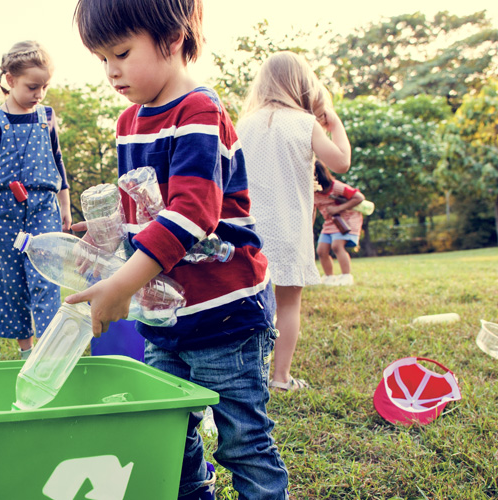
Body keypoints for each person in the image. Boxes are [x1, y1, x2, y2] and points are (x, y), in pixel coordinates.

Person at [70, 1, 288, 498]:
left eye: (121, 52)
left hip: (224, 315)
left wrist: (123, 284)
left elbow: (191, 215)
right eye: (101, 58)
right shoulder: (129, 123)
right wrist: (105, 237)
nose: (111, 71)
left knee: (242, 442)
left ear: (172, 38)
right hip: (164, 319)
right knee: (169, 436)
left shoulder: (199, 112)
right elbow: (144, 214)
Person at [236, 51, 351, 393]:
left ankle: (245, 374)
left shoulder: (244, 124)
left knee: (247, 304)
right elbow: (341, 162)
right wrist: (335, 123)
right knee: (288, 304)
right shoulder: (305, 123)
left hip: (247, 229)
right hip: (289, 228)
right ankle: (281, 378)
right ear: (301, 84)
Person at [0, 40, 72, 360]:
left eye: (44, 87)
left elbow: (58, 162)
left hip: (43, 208)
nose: (39, 94)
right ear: (10, 81)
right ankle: (27, 352)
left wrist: (64, 208)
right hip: (5, 213)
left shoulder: (47, 117)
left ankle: (49, 352)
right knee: (11, 282)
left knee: (45, 279)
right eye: (32, 86)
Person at [314, 160, 364, 286]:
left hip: (345, 220)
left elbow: (359, 197)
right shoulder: (314, 192)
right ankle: (329, 277)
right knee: (321, 250)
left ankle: (346, 276)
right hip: (330, 222)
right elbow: (313, 209)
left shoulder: (336, 187)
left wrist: (338, 208)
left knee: (337, 246)